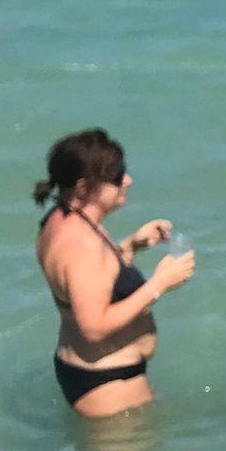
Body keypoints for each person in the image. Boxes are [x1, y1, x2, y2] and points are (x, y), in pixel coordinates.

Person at [33, 129, 195, 417]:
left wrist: (131, 245)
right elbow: (93, 327)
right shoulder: (82, 244)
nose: (128, 180)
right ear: (83, 189)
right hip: (107, 384)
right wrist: (160, 284)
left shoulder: (60, 221)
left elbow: (86, 282)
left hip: (92, 371)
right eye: (117, 175)